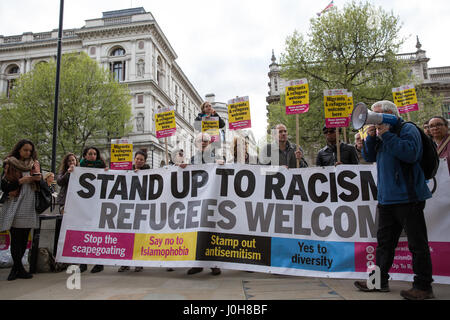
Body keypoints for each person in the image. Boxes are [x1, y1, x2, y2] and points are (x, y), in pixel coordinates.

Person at [354, 100, 434, 300]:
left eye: (377, 115)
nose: (373, 118)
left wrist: (387, 134)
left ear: (390, 114)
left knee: (417, 244)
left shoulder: (407, 129)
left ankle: (423, 287)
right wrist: (372, 138)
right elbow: (368, 155)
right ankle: (377, 282)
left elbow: (410, 153)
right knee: (384, 243)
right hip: (387, 198)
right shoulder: (381, 134)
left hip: (408, 197)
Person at [179, 132, 222, 276]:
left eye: (205, 141)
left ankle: (214, 264)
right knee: (196, 232)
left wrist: (221, 165)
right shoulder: (192, 159)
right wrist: (184, 167)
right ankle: (197, 264)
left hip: (212, 199)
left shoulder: (217, 157)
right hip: (197, 199)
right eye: (200, 141)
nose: (203, 143)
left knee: (212, 231)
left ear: (210, 143)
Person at [0, 139, 41, 281]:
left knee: (24, 237)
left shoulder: (33, 164)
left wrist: (39, 179)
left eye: (30, 150)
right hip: (15, 202)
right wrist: (21, 181)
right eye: (25, 150)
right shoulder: (9, 163)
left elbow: (40, 184)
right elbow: (4, 186)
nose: (28, 153)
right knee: (15, 236)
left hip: (29, 202)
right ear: (19, 149)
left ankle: (17, 269)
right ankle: (18, 268)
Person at [118, 149, 150, 273]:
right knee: (126, 236)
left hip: (141, 208)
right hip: (127, 208)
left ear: (145, 161)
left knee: (139, 237)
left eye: (141, 159)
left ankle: (138, 262)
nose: (139, 161)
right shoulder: (127, 170)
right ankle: (125, 263)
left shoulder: (149, 171)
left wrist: (141, 174)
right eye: (137, 158)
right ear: (134, 159)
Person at [80, 146, 106, 273]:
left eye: (95, 154)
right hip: (84, 207)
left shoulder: (101, 167)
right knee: (84, 234)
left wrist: (108, 172)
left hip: (98, 206)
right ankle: (83, 263)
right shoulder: (78, 168)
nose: (92, 156)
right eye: (90, 153)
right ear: (85, 155)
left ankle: (99, 263)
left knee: (98, 235)